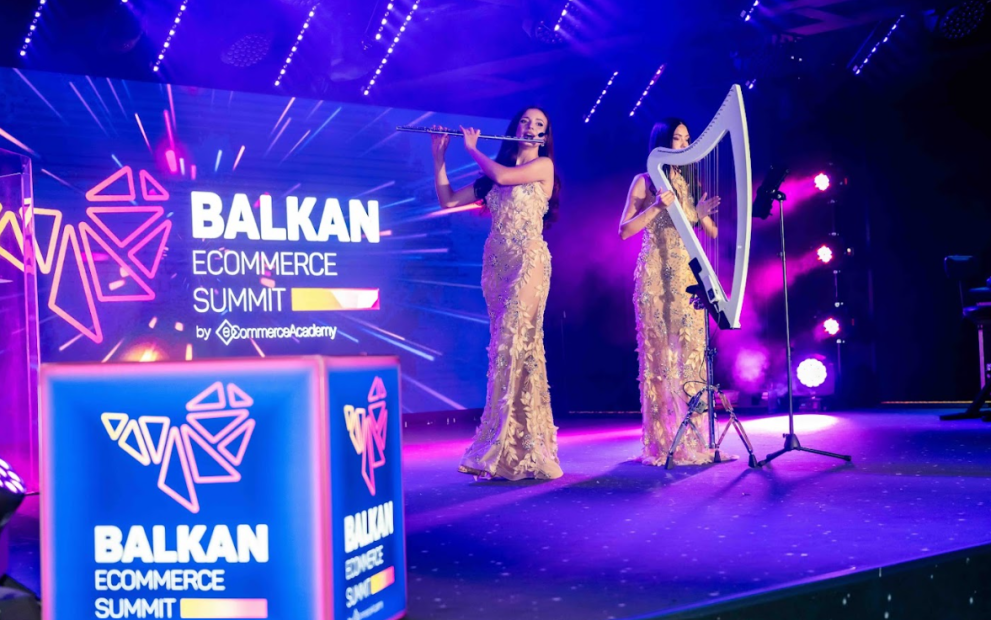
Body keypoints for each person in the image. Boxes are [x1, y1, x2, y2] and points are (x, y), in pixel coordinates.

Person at [431, 107, 563, 480]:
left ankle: (511, 445)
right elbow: (448, 201)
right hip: (497, 267)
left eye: (539, 125)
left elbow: (503, 175)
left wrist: (473, 150)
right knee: (507, 353)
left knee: (515, 344)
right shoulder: (491, 179)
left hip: (529, 262)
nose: (531, 128)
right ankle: (514, 447)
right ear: (515, 127)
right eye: (525, 122)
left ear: (544, 136)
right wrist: (439, 158)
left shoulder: (543, 167)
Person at [617, 118, 722, 465]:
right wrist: (657, 207)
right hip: (655, 276)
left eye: (688, 139)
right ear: (662, 143)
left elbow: (712, 232)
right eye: (677, 139)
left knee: (689, 354)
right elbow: (624, 230)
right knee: (662, 356)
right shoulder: (644, 181)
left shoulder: (687, 183)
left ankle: (692, 438)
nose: (684, 145)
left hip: (685, 276)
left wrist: (699, 214)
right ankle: (664, 440)